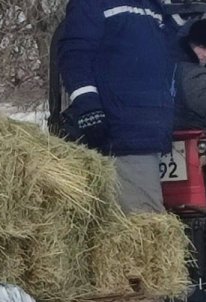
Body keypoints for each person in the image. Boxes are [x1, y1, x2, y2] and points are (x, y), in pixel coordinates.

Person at [56, 0, 180, 214]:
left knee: (143, 224)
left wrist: (186, 11)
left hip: (149, 129)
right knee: (144, 226)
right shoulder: (93, 3)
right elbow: (75, 56)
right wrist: (88, 106)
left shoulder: (151, 6)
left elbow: (171, 48)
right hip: (124, 130)